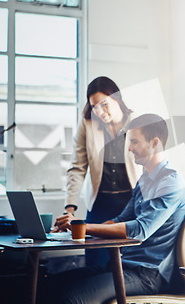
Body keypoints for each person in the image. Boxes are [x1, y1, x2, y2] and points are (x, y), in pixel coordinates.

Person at [49, 114, 185, 304]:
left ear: (154, 143)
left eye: (133, 142)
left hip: (147, 275)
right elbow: (119, 219)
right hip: (122, 266)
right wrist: (72, 232)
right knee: (52, 283)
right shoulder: (145, 180)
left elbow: (140, 230)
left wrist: (82, 227)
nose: (129, 148)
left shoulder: (170, 183)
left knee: (73, 298)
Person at [65, 76, 141, 266]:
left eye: (104, 104)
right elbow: (77, 167)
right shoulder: (87, 123)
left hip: (131, 204)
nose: (99, 111)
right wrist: (70, 208)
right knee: (95, 263)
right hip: (100, 205)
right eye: (94, 106)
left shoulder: (137, 122)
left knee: (129, 263)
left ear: (117, 98)